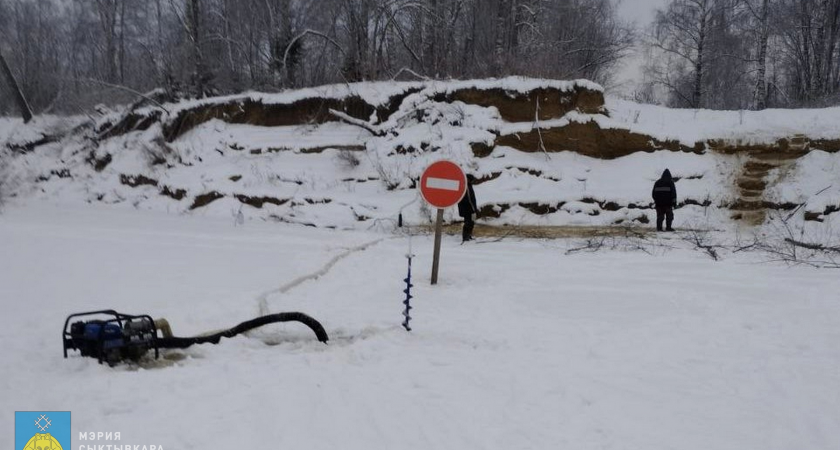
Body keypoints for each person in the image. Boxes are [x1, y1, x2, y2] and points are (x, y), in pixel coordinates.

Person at [458, 174, 478, 242]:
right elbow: (469, 199)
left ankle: (468, 235)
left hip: (469, 208)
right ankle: (465, 237)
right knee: (468, 223)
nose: (472, 181)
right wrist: (473, 209)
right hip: (467, 209)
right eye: (471, 180)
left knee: (471, 222)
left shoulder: (468, 185)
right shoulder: (466, 186)